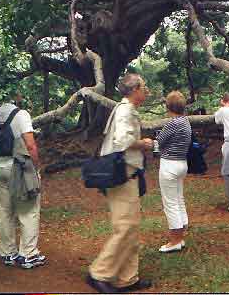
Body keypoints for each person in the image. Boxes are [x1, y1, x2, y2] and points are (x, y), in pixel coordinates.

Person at [86, 73, 153, 294]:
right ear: (134, 90)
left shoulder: (127, 110)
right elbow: (123, 141)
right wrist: (144, 143)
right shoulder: (125, 110)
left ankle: (127, 278)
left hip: (128, 175)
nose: (146, 90)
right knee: (125, 227)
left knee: (131, 226)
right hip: (122, 176)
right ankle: (99, 273)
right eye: (144, 87)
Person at [0, 95, 45, 269]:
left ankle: (7, 253)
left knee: (5, 211)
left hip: (1, 166)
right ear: (15, 100)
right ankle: (28, 254)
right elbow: (31, 145)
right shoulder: (21, 115)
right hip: (19, 167)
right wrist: (36, 167)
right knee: (29, 210)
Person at [156, 91, 192, 253]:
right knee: (178, 199)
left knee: (170, 203)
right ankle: (181, 234)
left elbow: (160, 141)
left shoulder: (172, 123)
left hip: (169, 164)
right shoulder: (185, 121)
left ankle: (175, 240)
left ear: (168, 106)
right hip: (181, 163)